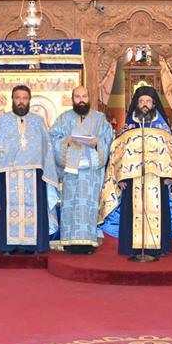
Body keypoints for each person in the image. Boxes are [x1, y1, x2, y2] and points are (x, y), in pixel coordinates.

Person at [99, 85, 172, 256]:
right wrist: (120, 178)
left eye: (148, 101)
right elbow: (117, 154)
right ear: (136, 104)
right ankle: (132, 248)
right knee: (132, 213)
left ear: (154, 104)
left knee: (159, 213)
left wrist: (171, 176)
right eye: (141, 101)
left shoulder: (164, 129)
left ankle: (158, 248)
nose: (145, 104)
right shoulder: (128, 129)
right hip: (132, 180)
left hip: (158, 180)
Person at [0, 85, 59, 254]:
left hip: (34, 174)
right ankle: (7, 246)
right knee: (7, 208)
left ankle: (34, 245)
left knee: (34, 208)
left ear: (29, 100)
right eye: (18, 98)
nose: (21, 101)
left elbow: (46, 147)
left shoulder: (38, 121)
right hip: (8, 172)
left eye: (25, 98)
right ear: (12, 100)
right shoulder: (2, 120)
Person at [49, 86, 114, 254]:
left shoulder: (100, 119)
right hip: (71, 171)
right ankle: (69, 242)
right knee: (71, 205)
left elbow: (108, 139)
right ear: (73, 99)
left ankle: (89, 242)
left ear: (89, 97)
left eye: (84, 96)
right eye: (77, 96)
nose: (81, 100)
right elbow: (53, 138)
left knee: (89, 207)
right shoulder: (63, 119)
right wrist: (66, 141)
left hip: (91, 172)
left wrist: (98, 143)